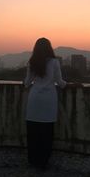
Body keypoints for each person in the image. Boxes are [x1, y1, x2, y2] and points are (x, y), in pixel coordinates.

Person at [24, 37, 67, 169]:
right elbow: (60, 82)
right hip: (49, 100)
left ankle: (33, 160)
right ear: (49, 48)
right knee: (47, 133)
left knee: (33, 133)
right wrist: (71, 85)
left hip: (34, 99)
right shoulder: (54, 62)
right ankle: (43, 162)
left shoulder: (32, 62)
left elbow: (27, 83)